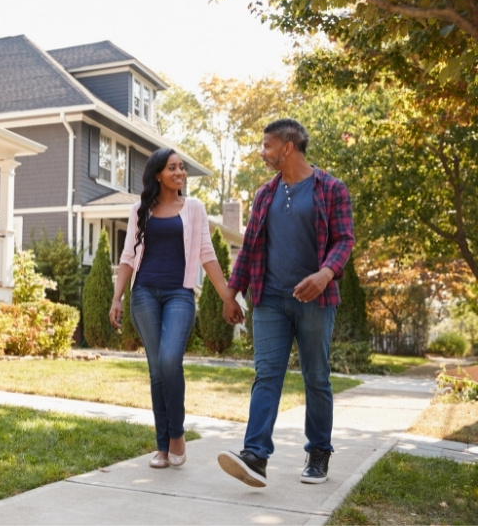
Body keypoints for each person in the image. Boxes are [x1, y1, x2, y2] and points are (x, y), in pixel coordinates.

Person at [217, 118, 354, 487]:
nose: (263, 153)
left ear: (287, 147)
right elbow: (249, 248)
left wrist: (325, 274)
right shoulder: (265, 194)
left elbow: (344, 240)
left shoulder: (331, 189)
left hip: (316, 299)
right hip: (270, 298)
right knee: (267, 375)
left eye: (267, 146)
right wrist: (232, 292)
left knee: (316, 377)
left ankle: (319, 451)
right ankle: (255, 455)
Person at [109, 147, 243, 469]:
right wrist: (117, 297)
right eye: (173, 168)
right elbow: (128, 256)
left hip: (179, 294)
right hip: (143, 294)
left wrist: (228, 295)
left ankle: (177, 435)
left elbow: (206, 253)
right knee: (157, 370)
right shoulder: (140, 209)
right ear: (158, 174)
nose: (180, 172)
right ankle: (162, 447)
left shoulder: (193, 208)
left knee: (170, 361)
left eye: (182, 168)